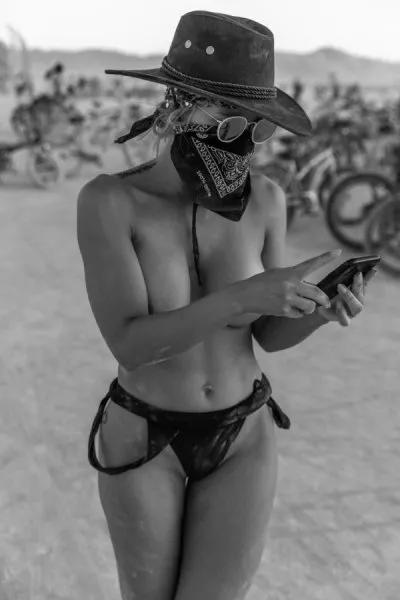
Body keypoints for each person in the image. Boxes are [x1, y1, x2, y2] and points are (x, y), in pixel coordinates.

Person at [77, 10, 377, 600]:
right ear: (176, 105)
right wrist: (241, 296)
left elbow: (266, 335)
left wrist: (317, 311)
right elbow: (130, 345)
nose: (243, 142)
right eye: (228, 120)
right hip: (145, 435)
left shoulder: (266, 200)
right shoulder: (111, 202)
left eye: (257, 130)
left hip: (244, 434)